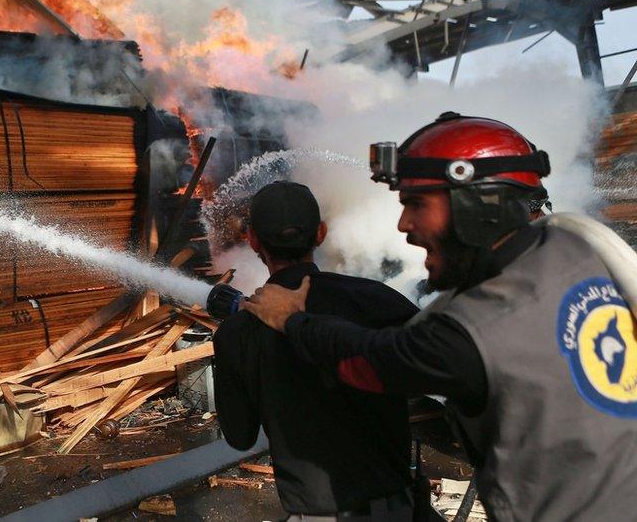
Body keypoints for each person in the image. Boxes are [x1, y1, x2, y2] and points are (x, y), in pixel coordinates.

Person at [242, 112, 637, 521]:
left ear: (478, 205)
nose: (404, 224)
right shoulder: (577, 249)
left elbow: (368, 362)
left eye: (417, 204)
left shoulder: (474, 332)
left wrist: (291, 319)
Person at [213, 181, 420, 521]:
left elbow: (239, 436)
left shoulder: (236, 333)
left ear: (253, 241)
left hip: (315, 513)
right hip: (396, 508)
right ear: (321, 233)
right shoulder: (376, 299)